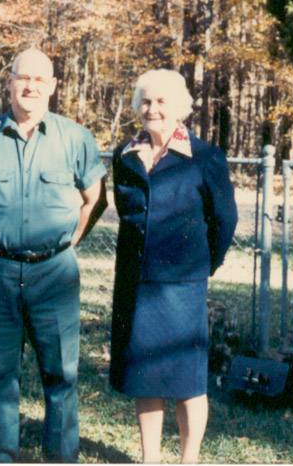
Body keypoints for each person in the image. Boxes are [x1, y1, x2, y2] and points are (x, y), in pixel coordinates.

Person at [0, 48, 108, 463]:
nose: (31, 86)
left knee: (61, 374)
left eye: (41, 80)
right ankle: (1, 452)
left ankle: (60, 456)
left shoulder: (75, 138)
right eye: (23, 78)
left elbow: (94, 198)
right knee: (1, 371)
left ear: (53, 86)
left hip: (54, 273)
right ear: (9, 82)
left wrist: (69, 241)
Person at [109, 69, 238, 464]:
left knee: (187, 381)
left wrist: (203, 264)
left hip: (183, 286)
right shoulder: (125, 156)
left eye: (162, 102)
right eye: (146, 101)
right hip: (136, 284)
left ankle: (189, 458)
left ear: (180, 108)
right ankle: (150, 458)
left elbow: (225, 221)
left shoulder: (204, 158)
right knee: (144, 377)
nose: (153, 109)